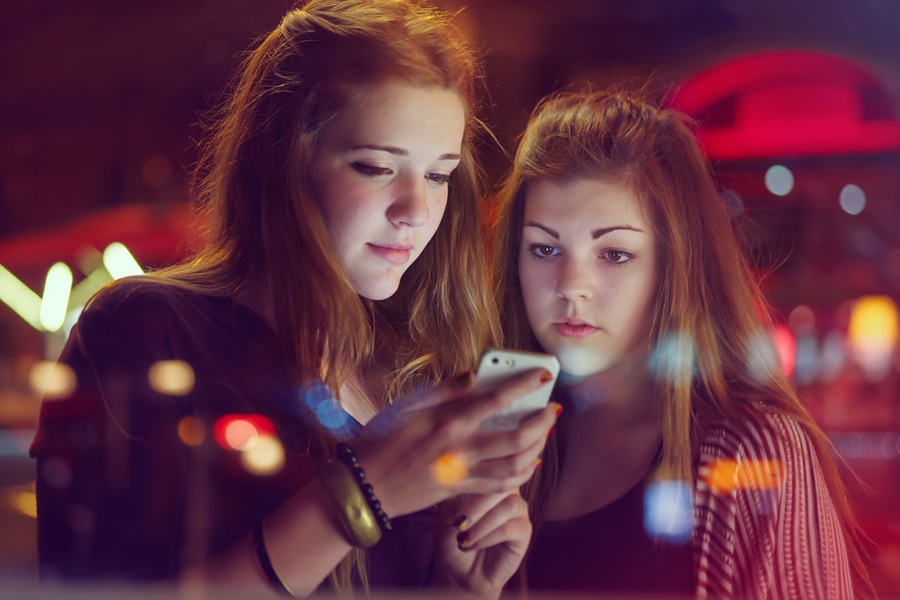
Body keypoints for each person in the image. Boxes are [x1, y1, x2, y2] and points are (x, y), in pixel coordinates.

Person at [29, 1, 559, 597]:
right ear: (282, 160)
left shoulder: (420, 369)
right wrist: (362, 495)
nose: (416, 210)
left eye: (439, 175)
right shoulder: (143, 330)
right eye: (376, 167)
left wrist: (461, 590)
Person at [491, 89, 873, 598]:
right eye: (543, 247)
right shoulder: (496, 429)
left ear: (673, 266)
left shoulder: (752, 448)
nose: (570, 284)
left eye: (615, 254)